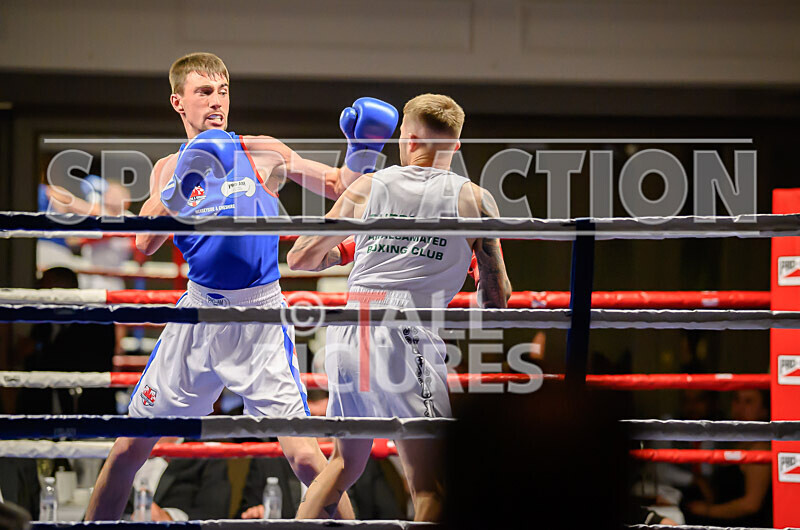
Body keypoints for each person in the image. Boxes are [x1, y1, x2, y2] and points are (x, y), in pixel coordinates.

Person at [85, 52, 398, 521]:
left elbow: (339, 186)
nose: (217, 101)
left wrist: (362, 152)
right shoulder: (168, 168)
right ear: (178, 102)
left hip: (259, 318)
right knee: (128, 449)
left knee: (306, 457)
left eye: (223, 91)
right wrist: (180, 184)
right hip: (198, 316)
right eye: (204, 92)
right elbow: (145, 242)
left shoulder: (260, 151)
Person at [287, 93, 511, 521]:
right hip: (408, 331)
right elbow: (495, 301)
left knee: (342, 465)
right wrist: (474, 265)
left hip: (350, 326)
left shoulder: (369, 186)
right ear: (456, 146)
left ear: (407, 139)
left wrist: (351, 249)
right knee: (432, 486)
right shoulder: (476, 201)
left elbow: (300, 257)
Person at [683, 389, 772, 527]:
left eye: (748, 402)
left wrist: (706, 511)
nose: (740, 407)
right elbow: (727, 491)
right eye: (736, 400)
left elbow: (751, 505)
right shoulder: (734, 443)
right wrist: (701, 483)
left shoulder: (760, 449)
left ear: (763, 411)